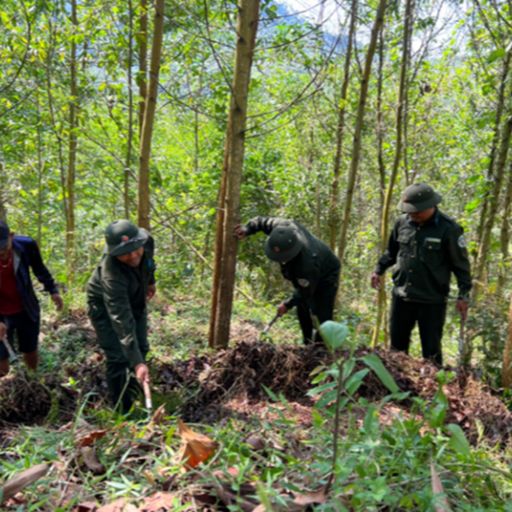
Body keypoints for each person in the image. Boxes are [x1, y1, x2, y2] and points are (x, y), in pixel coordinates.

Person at [371, 183, 472, 365]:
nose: (413, 215)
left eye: (417, 211)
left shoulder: (449, 229)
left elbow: (461, 266)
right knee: (396, 349)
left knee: (431, 351)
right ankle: (398, 385)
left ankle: (434, 388)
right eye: (410, 211)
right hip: (402, 296)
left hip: (431, 300)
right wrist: (379, 269)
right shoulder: (402, 223)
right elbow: (391, 252)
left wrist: (463, 295)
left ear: (430, 206)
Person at [87, 220, 156, 412]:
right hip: (104, 306)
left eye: (136, 249)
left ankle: (134, 389)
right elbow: (121, 320)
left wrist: (150, 281)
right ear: (114, 252)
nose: (133, 255)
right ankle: (122, 410)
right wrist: (137, 362)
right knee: (118, 357)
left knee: (141, 347)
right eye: (125, 253)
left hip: (136, 295)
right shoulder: (111, 274)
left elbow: (149, 262)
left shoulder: (146, 241)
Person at [235, 217, 340, 344]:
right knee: (302, 308)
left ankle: (320, 349)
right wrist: (248, 229)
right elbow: (263, 222)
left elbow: (304, 292)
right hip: (308, 273)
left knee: (321, 314)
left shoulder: (307, 265)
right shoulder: (282, 227)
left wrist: (287, 304)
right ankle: (307, 344)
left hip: (327, 275)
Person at [0, 220, 63, 376]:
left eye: (3, 247)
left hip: (25, 307)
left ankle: (32, 381)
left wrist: (53, 290)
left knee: (30, 349)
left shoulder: (26, 246)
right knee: (2, 366)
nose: (1, 253)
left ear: (11, 236)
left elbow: (39, 268)